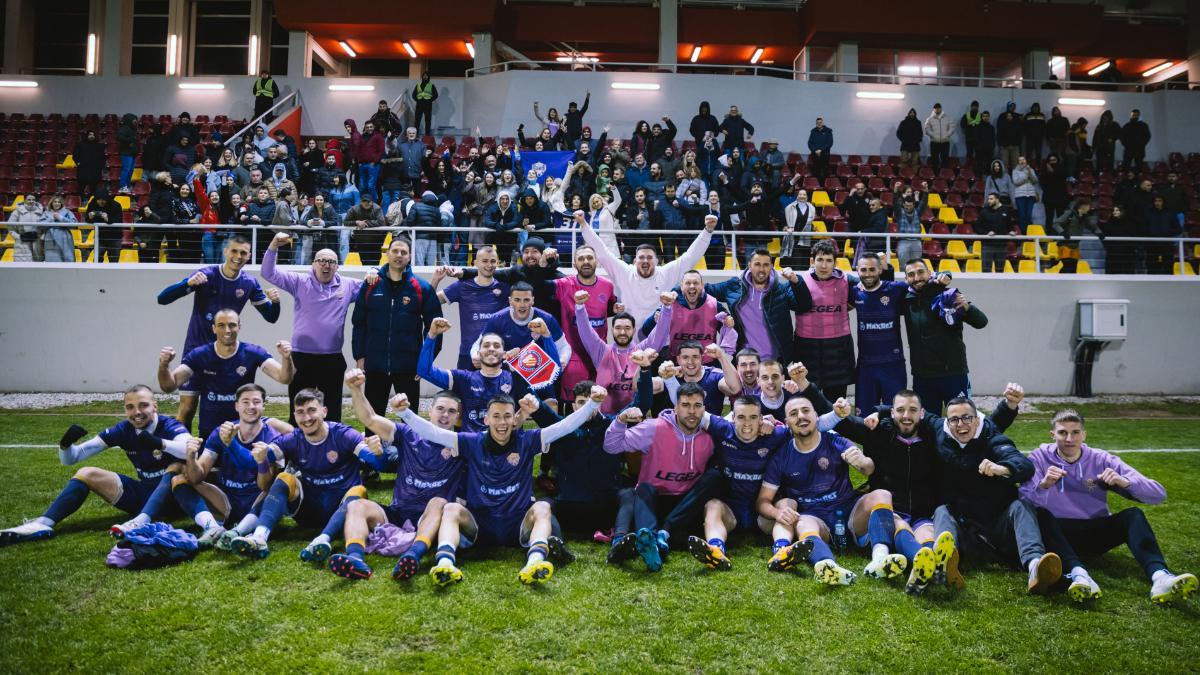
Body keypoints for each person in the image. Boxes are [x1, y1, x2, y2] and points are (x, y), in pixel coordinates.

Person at [397, 389, 604, 586]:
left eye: (507, 416)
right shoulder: (472, 442)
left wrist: (592, 404)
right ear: (486, 420)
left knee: (542, 507)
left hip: (516, 522)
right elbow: (433, 433)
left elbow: (564, 427)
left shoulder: (528, 440)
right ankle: (445, 564)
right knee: (451, 509)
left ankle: (534, 563)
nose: (502, 422)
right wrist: (404, 412)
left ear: (515, 419)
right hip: (480, 523)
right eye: (496, 416)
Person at [829, 385, 1022, 593]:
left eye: (913, 410)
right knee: (899, 524)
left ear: (922, 414)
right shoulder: (880, 432)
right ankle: (927, 565)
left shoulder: (935, 437)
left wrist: (1008, 407)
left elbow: (984, 429)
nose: (906, 415)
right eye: (900, 410)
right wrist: (807, 388)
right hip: (891, 512)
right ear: (893, 412)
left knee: (928, 533)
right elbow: (845, 425)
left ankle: (930, 563)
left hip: (924, 512)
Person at [1021, 409, 1197, 605]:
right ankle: (1080, 575)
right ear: (1052, 435)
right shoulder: (1038, 458)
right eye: (1063, 433)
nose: (1069, 438)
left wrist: (1125, 482)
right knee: (1041, 515)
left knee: (1133, 515)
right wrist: (1044, 485)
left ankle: (1160, 576)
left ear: (1084, 434)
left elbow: (1158, 494)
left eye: (1075, 432)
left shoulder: (1101, 459)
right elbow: (1024, 503)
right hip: (1058, 533)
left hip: (1095, 532)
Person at [0, 385, 191, 546]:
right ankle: (43, 523)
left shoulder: (169, 426)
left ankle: (141, 521)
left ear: (155, 406)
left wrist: (159, 443)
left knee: (175, 466)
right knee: (86, 473)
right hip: (143, 496)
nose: (137, 412)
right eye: (130, 407)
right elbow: (72, 458)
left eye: (143, 405)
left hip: (176, 498)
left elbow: (189, 449)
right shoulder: (123, 430)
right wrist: (65, 445)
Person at [325, 370, 464, 581]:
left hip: (431, 517)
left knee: (438, 502)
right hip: (398, 512)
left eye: (451, 411)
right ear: (430, 412)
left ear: (458, 417)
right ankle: (355, 559)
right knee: (356, 505)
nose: (445, 415)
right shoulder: (408, 434)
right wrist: (355, 389)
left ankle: (413, 556)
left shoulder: (461, 443)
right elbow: (369, 419)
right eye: (440, 409)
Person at [930, 396, 1062, 595]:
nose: (961, 424)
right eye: (954, 419)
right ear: (947, 423)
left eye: (967, 418)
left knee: (1021, 506)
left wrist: (1002, 468)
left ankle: (1035, 566)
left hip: (1001, 531)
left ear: (977, 419)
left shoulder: (992, 437)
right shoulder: (940, 432)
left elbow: (1025, 466)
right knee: (941, 511)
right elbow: (910, 412)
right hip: (966, 533)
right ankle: (945, 565)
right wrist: (880, 413)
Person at [228, 388, 377, 559]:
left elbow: (380, 464)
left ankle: (322, 540)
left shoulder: (343, 435)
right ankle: (259, 538)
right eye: (300, 412)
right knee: (284, 478)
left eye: (312, 410)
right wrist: (250, 453)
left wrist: (377, 452)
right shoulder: (293, 439)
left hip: (343, 512)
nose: (306, 418)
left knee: (359, 490)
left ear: (324, 411)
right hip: (307, 512)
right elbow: (249, 461)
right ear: (294, 415)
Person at [155, 234, 281, 427]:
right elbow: (162, 299)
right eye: (234, 251)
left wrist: (276, 302)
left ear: (249, 256)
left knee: (227, 411)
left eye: (243, 253)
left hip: (225, 354)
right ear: (225, 252)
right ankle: (183, 455)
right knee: (187, 409)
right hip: (196, 351)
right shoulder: (206, 274)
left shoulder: (249, 283)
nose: (238, 256)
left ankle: (221, 453)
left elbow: (271, 317)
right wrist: (187, 284)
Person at [603, 383, 721, 571]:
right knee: (642, 488)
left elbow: (741, 426)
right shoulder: (654, 428)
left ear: (704, 409)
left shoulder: (711, 434)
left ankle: (663, 534)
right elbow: (611, 446)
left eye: (697, 406)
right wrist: (620, 421)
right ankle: (651, 539)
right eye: (686, 405)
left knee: (715, 477)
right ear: (676, 407)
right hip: (654, 500)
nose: (692, 411)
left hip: (685, 506)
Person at [753, 396, 865, 586]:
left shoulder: (835, 441)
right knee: (802, 523)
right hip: (814, 518)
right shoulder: (781, 456)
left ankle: (882, 556)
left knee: (881, 496)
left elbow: (868, 468)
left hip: (847, 512)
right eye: (794, 414)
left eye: (806, 411)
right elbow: (762, 501)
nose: (801, 417)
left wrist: (862, 462)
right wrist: (778, 512)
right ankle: (827, 565)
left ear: (816, 416)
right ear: (787, 423)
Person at [262, 232, 369, 424]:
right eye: (321, 260)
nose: (326, 265)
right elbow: (268, 273)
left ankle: (333, 449)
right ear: (313, 264)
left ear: (337, 266)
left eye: (331, 261)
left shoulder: (348, 285)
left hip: (332, 359)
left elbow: (375, 287)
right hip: (301, 358)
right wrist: (273, 246)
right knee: (299, 409)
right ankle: (296, 447)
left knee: (333, 411)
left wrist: (375, 272)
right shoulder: (299, 281)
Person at [181, 383, 293, 549]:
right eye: (245, 402)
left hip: (256, 503)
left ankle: (239, 532)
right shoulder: (221, 431)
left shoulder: (273, 437)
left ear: (264, 405)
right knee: (179, 479)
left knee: (278, 485)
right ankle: (212, 528)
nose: (251, 406)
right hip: (224, 500)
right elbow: (198, 476)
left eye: (256, 402)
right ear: (236, 406)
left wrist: (259, 459)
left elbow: (264, 485)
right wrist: (190, 457)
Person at [157, 308, 294, 442]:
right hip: (210, 429)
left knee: (288, 431)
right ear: (214, 328)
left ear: (239, 327)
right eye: (221, 325)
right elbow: (169, 386)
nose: (227, 330)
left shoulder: (253, 352)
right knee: (209, 464)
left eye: (232, 325)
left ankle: (288, 463)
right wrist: (164, 365)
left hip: (244, 426)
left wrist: (286, 358)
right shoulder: (200, 355)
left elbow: (284, 378)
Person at [686, 397, 791, 571]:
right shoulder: (722, 429)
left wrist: (839, 422)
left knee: (787, 504)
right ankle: (716, 551)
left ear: (761, 419)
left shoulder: (775, 435)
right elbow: (693, 410)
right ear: (733, 417)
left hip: (763, 514)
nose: (747, 423)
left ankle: (782, 551)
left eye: (753, 417)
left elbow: (809, 427)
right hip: (731, 513)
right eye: (741, 417)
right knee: (712, 505)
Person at [351, 236, 441, 422]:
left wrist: (425, 361)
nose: (399, 255)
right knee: (373, 419)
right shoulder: (370, 286)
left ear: (409, 257)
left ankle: (409, 451)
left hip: (409, 366)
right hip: (375, 364)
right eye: (395, 251)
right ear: (387, 254)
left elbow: (435, 328)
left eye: (403, 252)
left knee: (410, 421)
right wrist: (359, 356)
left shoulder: (421, 288)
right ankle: (373, 450)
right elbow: (358, 323)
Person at [581, 212, 716, 325]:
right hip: (630, 343)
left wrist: (707, 231)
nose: (645, 261)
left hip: (660, 344)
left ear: (657, 261)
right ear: (634, 261)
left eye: (650, 258)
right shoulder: (624, 271)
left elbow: (690, 257)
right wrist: (583, 224)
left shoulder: (665, 272)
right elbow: (601, 250)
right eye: (641, 258)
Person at [417, 321, 535, 432]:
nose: (491, 348)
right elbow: (425, 371)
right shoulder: (463, 378)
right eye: (486, 345)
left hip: (505, 445)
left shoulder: (514, 378)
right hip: (471, 447)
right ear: (478, 353)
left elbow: (532, 406)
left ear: (504, 354)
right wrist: (432, 335)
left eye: (496, 345)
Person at [902, 259, 987, 412]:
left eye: (921, 272)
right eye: (911, 274)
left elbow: (981, 322)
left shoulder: (947, 294)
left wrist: (967, 307)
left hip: (953, 373)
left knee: (962, 421)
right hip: (923, 377)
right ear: (906, 279)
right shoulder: (906, 299)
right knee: (926, 426)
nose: (916, 278)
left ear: (929, 273)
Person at [576, 291, 672, 413]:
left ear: (633, 330)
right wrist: (580, 307)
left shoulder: (641, 352)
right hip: (605, 421)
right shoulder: (601, 351)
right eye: (618, 328)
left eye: (627, 328)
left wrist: (667, 308)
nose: (622, 332)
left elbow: (659, 335)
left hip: (634, 419)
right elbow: (586, 332)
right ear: (612, 330)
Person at [705, 249, 807, 364]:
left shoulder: (781, 290)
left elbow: (804, 306)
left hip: (775, 362)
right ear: (749, 265)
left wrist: (797, 282)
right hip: (745, 361)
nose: (761, 269)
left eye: (766, 265)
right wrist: (681, 288)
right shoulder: (734, 286)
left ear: (771, 266)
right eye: (757, 264)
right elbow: (705, 290)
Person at [790, 240, 856, 400]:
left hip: (838, 347)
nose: (824, 265)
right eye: (820, 260)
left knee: (836, 402)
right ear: (812, 261)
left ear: (835, 262)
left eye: (828, 260)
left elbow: (870, 290)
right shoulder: (799, 281)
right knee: (807, 402)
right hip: (806, 347)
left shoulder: (847, 280)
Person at [432, 246, 511, 369]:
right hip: (467, 355)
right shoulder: (461, 286)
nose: (489, 265)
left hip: (496, 355)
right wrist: (435, 281)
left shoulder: (505, 288)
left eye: (493, 261)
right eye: (485, 261)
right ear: (476, 263)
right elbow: (430, 301)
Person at [471, 282, 571, 375]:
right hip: (507, 374)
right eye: (517, 300)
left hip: (539, 374)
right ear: (510, 301)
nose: (522, 305)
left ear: (532, 300)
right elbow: (478, 344)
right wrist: (475, 356)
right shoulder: (496, 319)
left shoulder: (547, 319)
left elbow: (564, 346)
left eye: (526, 300)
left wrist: (563, 359)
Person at [851, 254, 909, 413]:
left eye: (872, 269)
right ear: (857, 270)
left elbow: (921, 285)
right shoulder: (854, 292)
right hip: (865, 366)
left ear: (879, 270)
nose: (868, 273)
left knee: (896, 414)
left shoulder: (897, 289)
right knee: (865, 418)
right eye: (863, 270)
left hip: (893, 364)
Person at [1051, 200, 1103, 273]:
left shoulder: (1085, 217)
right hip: (1064, 244)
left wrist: (1099, 233)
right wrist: (1062, 232)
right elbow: (1056, 224)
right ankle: (1061, 281)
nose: (1089, 209)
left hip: (1075, 245)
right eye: (1088, 207)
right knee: (1067, 266)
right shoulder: (1070, 214)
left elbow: (1092, 226)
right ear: (1082, 208)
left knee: (1073, 268)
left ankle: (1070, 283)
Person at [83, 188, 125, 263]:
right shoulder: (92, 203)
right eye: (99, 200)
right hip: (100, 237)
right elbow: (87, 219)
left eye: (103, 200)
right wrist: (89, 217)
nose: (101, 202)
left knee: (114, 261)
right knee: (97, 260)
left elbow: (119, 221)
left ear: (107, 198)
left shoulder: (116, 205)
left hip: (115, 238)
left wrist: (108, 219)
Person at [977, 193, 1013, 273]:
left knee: (1000, 271)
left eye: (991, 199)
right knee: (986, 270)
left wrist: (1011, 231)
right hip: (987, 245)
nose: (988, 201)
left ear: (997, 199)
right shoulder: (984, 211)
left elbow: (1010, 225)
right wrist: (986, 233)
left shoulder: (1006, 210)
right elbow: (977, 227)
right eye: (988, 199)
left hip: (1002, 246)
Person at [39, 194, 78, 263]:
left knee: (67, 260)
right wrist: (51, 219)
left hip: (65, 238)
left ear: (61, 203)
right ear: (51, 203)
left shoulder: (67, 212)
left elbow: (75, 224)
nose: (57, 203)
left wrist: (61, 218)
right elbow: (40, 226)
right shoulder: (46, 213)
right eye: (55, 202)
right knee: (51, 261)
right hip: (50, 238)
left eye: (59, 202)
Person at [1100, 205, 1137, 275]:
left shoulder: (1129, 224)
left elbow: (1133, 237)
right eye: (1113, 210)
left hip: (1127, 254)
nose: (1115, 212)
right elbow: (1105, 239)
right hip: (1113, 254)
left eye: (1117, 210)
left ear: (1122, 211)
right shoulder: (1109, 224)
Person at [7, 192, 44, 262]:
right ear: (24, 200)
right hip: (22, 242)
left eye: (33, 199)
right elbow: (10, 226)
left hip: (37, 242)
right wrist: (19, 236)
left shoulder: (41, 212)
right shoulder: (17, 211)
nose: (31, 201)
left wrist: (40, 236)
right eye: (29, 199)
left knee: (37, 267)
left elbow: (44, 227)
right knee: (22, 266)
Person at [357, 121, 386, 200]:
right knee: (362, 186)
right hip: (362, 164)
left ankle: (373, 203)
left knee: (370, 186)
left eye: (371, 127)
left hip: (373, 165)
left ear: (373, 127)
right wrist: (359, 161)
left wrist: (374, 162)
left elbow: (381, 151)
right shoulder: (362, 137)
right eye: (367, 127)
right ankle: (362, 203)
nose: (369, 128)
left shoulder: (378, 136)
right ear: (365, 128)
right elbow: (358, 150)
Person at [72, 130, 106, 197]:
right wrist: (79, 163)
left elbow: (103, 158)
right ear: (87, 136)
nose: (92, 136)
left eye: (93, 135)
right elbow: (75, 156)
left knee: (93, 190)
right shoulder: (80, 145)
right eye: (90, 135)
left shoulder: (100, 146)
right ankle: (78, 202)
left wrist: (100, 167)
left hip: (95, 171)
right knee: (80, 189)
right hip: (83, 170)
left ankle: (92, 205)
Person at [1011, 156, 1038, 234]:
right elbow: (1016, 182)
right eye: (1020, 160)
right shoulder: (1015, 171)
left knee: (1029, 215)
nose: (1022, 161)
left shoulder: (1031, 170)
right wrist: (1026, 176)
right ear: (1018, 162)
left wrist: (1030, 173)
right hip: (1020, 195)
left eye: (1023, 159)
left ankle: (1029, 233)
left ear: (1026, 161)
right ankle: (1023, 233)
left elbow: (1035, 181)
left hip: (1031, 195)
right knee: (1022, 215)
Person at [924, 103, 954, 175]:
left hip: (945, 142)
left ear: (941, 108)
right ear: (934, 109)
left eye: (939, 108)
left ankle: (944, 175)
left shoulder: (947, 118)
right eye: (936, 108)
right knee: (934, 160)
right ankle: (935, 175)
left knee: (945, 160)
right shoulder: (929, 119)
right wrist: (933, 135)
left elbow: (952, 128)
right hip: (934, 142)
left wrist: (947, 135)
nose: (937, 109)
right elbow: (927, 129)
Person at [116, 114, 140, 194]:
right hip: (126, 153)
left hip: (132, 153)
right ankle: (122, 187)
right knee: (126, 169)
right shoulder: (124, 128)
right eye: (134, 119)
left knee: (130, 170)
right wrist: (129, 140)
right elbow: (119, 137)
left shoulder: (133, 129)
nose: (135, 121)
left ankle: (127, 186)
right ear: (129, 120)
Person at [996, 103, 1023, 173]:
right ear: (1007, 107)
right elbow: (999, 131)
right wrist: (1000, 144)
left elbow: (1020, 131)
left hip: (1015, 146)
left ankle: (1015, 179)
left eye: (1014, 107)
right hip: (1004, 146)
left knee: (1016, 164)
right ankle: (1005, 180)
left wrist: (1018, 142)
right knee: (1004, 164)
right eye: (1011, 106)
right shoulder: (1002, 116)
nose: (1012, 108)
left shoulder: (1017, 116)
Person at [974, 111, 997, 178]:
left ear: (989, 117)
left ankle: (988, 177)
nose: (985, 118)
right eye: (984, 116)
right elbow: (976, 138)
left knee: (989, 164)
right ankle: (979, 178)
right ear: (982, 117)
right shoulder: (978, 127)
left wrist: (992, 146)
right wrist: (979, 146)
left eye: (987, 116)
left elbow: (993, 138)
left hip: (989, 149)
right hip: (980, 149)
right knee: (979, 165)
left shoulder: (991, 128)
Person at [959, 101, 981, 165]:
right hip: (969, 138)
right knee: (969, 154)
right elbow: (962, 125)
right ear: (971, 107)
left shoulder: (980, 115)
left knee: (978, 155)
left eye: (976, 106)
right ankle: (968, 169)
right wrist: (968, 128)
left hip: (979, 139)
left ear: (978, 107)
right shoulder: (966, 115)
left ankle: (977, 168)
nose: (975, 107)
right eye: (973, 106)